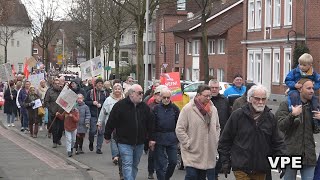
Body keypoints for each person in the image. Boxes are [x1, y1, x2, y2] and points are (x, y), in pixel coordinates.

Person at [218, 84, 286, 179]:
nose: (260, 102)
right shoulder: (237, 116)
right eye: (257, 99)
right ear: (250, 99)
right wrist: (225, 161)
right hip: (241, 166)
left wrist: (281, 162)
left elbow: (278, 142)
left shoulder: (270, 118)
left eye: (263, 99)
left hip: (261, 167)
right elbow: (225, 140)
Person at [104, 84, 155, 180]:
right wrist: (107, 135)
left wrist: (151, 138)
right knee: (127, 164)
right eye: (139, 93)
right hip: (124, 142)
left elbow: (151, 124)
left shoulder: (145, 107)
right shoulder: (120, 106)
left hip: (139, 142)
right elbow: (111, 121)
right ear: (131, 94)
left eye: (142, 93)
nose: (142, 95)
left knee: (134, 165)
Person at [276, 78, 319, 180]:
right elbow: (280, 126)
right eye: (308, 88)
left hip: (308, 154)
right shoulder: (287, 104)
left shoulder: (313, 106)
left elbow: (316, 130)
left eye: (313, 88)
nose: (312, 91)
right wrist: (292, 115)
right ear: (300, 89)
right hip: (290, 154)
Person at [176, 85, 220, 179]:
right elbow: (180, 129)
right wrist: (188, 143)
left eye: (210, 96)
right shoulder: (188, 109)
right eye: (206, 96)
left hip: (208, 151)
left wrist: (215, 139)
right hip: (192, 151)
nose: (208, 98)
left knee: (202, 177)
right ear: (198, 95)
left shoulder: (213, 109)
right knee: (191, 176)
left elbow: (217, 127)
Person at [284, 53, 320, 132]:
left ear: (310, 65)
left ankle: (316, 119)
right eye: (300, 64)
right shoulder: (294, 72)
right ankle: (296, 114)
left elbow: (318, 81)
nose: (301, 67)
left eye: (304, 65)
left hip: (306, 92)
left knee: (315, 100)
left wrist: (313, 87)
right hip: (295, 90)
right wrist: (294, 85)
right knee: (294, 96)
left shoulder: (313, 73)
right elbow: (287, 80)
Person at [97, 83, 124, 179]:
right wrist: (100, 122)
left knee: (120, 141)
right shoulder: (108, 100)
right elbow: (103, 112)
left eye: (119, 89)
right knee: (113, 140)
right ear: (113, 90)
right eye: (115, 89)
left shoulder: (124, 99)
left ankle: (120, 154)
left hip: (123, 125)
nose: (117, 90)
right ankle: (115, 156)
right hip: (112, 123)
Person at [153, 87, 180, 180]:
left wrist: (179, 138)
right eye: (164, 97)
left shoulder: (175, 109)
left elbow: (179, 123)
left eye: (168, 97)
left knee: (173, 161)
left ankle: (166, 177)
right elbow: (152, 125)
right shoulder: (155, 109)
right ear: (160, 97)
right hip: (159, 137)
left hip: (172, 137)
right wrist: (151, 139)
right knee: (160, 163)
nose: (166, 99)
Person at [207, 79, 230, 179]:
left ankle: (215, 173)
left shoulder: (224, 100)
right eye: (212, 88)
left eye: (216, 88)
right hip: (208, 134)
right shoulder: (205, 100)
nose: (214, 90)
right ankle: (212, 176)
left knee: (222, 157)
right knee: (210, 157)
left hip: (222, 133)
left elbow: (229, 115)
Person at [146, 84, 168, 179]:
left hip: (165, 135)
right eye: (159, 94)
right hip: (153, 134)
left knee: (164, 155)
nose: (161, 97)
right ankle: (151, 171)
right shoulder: (150, 106)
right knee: (152, 154)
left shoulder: (170, 106)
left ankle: (162, 172)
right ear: (155, 95)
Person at [85, 78, 107, 154]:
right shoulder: (90, 92)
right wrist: (92, 102)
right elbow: (86, 101)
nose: (100, 85)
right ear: (96, 84)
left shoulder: (104, 93)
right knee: (93, 130)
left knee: (101, 132)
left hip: (101, 115)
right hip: (93, 114)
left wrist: (101, 104)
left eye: (101, 83)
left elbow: (106, 101)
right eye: (98, 83)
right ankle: (91, 141)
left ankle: (98, 148)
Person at [44, 78, 64, 148]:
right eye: (56, 83)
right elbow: (46, 102)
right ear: (53, 84)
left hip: (61, 112)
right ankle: (54, 141)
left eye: (58, 83)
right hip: (53, 112)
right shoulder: (49, 91)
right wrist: (51, 109)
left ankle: (58, 138)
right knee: (54, 128)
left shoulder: (62, 91)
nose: (57, 85)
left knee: (61, 128)